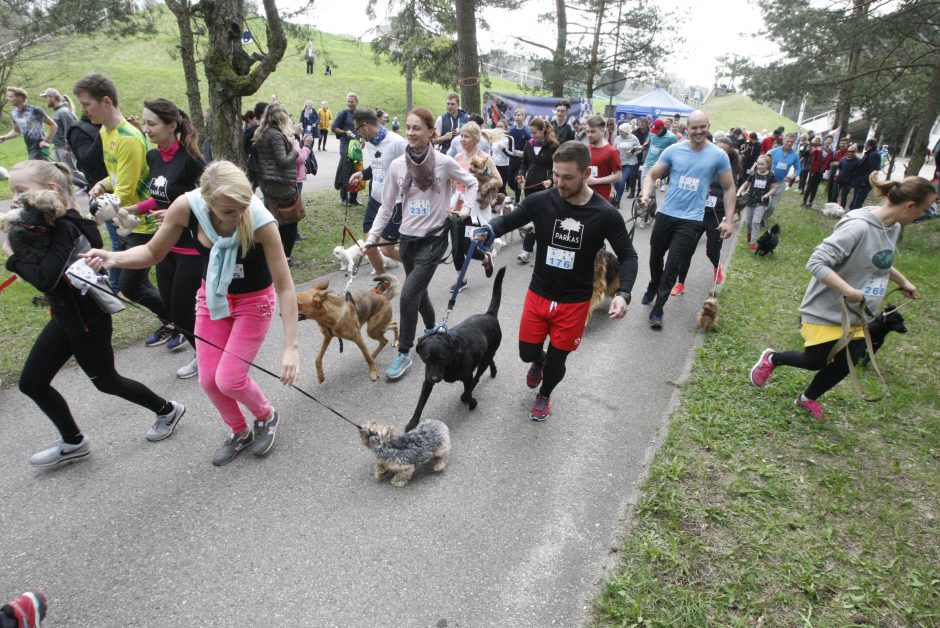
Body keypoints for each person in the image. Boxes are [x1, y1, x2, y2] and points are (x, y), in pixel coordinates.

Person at [84, 161, 300, 466]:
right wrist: (112, 257)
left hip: (254, 302)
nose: (239, 216)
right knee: (209, 380)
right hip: (212, 296)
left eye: (242, 206)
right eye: (228, 211)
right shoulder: (186, 207)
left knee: (229, 379)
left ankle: (266, 415)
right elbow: (151, 253)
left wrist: (290, 348)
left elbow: (285, 286)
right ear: (207, 202)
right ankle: (239, 431)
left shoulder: (261, 221)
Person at [4, 160, 186, 466]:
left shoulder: (66, 226)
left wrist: (11, 253)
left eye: (21, 191)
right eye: (12, 193)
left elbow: (44, 277)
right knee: (32, 383)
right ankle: (73, 442)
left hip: (86, 318)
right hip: (65, 316)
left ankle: (167, 410)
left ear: (49, 191)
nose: (15, 200)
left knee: (106, 381)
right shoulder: (48, 224)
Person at [474, 141, 638, 421]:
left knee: (558, 360)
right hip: (539, 292)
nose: (559, 183)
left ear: (586, 174)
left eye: (568, 177)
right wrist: (490, 228)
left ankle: (545, 394)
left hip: (574, 302)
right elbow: (511, 220)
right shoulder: (541, 201)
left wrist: (623, 293)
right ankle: (539, 361)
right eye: (556, 175)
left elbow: (628, 255)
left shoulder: (605, 214)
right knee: (527, 353)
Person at [749, 174, 932, 421]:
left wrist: (903, 281)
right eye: (924, 209)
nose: (924, 215)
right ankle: (772, 358)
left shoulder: (893, 227)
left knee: (849, 360)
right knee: (814, 360)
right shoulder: (858, 226)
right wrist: (848, 290)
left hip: (858, 314)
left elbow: (881, 261)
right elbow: (817, 262)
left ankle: (806, 398)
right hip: (827, 308)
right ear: (910, 206)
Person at [362, 107, 479, 381]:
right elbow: (386, 206)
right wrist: (371, 238)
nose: (411, 132)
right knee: (419, 289)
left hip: (435, 239)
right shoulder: (397, 166)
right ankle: (432, 328)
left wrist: (464, 211)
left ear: (430, 132)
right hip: (408, 239)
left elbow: (471, 183)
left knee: (408, 294)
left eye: (417, 128)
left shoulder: (444, 163)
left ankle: (403, 352)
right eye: (408, 127)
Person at [72, 73, 171, 348]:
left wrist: (98, 211)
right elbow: (116, 176)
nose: (84, 110)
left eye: (86, 104)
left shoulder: (128, 137)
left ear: (106, 101)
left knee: (129, 286)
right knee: (138, 283)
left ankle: (177, 320)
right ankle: (172, 320)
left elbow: (126, 191)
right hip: (125, 219)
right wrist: (100, 185)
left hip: (143, 221)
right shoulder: (106, 132)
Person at [638, 110, 736, 329]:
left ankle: (658, 309)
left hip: (692, 219)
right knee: (655, 256)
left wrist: (728, 220)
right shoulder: (673, 150)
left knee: (673, 265)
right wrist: (645, 195)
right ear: (687, 128)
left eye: (703, 127)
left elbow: (729, 188)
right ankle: (654, 283)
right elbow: (652, 175)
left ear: (708, 126)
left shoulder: (718, 155)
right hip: (667, 213)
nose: (699, 131)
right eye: (694, 127)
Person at [133, 98, 207, 379]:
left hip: (190, 247)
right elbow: (158, 197)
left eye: (151, 124)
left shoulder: (192, 161)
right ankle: (204, 350)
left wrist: (177, 216)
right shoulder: (154, 157)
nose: (147, 129)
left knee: (181, 310)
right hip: (165, 246)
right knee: (171, 308)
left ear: (171, 125)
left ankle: (205, 354)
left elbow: (210, 203)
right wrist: (134, 209)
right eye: (145, 123)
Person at [672, 135, 742, 295]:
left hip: (716, 215)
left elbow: (728, 192)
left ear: (729, 153)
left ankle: (717, 267)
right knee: (687, 250)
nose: (719, 153)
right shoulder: (702, 163)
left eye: (724, 151)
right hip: (697, 213)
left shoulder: (729, 170)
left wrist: (727, 217)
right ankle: (680, 283)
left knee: (712, 250)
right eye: (717, 149)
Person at [347, 107, 407, 274]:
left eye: (357, 129)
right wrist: (362, 174)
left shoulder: (397, 143)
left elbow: (413, 168)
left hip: (395, 202)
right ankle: (383, 278)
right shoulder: (371, 143)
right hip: (375, 199)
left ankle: (418, 264)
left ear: (365, 125)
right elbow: (377, 166)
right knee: (369, 244)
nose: (357, 133)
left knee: (387, 249)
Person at [450, 121, 502, 290]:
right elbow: (453, 183)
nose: (463, 139)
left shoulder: (484, 158)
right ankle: (461, 280)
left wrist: (484, 184)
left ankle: (485, 258)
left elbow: (499, 181)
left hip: (475, 208)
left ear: (476, 139)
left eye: (467, 136)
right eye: (461, 136)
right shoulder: (457, 158)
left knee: (466, 246)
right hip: (458, 206)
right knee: (456, 248)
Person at [254, 101, 304, 264]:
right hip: (279, 182)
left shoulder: (263, 132)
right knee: (289, 218)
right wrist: (296, 148)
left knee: (274, 217)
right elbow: (283, 161)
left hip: (267, 180)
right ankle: (285, 257)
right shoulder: (275, 135)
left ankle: (275, 255)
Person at [515, 117, 559, 264]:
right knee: (530, 217)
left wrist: (552, 180)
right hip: (530, 186)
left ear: (543, 131)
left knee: (544, 219)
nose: (532, 136)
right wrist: (521, 174)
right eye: (531, 133)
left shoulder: (553, 146)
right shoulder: (529, 144)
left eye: (535, 133)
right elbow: (524, 163)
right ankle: (526, 250)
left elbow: (558, 166)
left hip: (546, 187)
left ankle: (546, 250)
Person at [1, 87, 57, 161]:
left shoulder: (35, 110)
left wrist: (46, 141)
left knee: (37, 170)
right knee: (43, 170)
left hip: (40, 146)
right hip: (30, 148)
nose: (8, 99)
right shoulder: (14, 113)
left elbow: (54, 125)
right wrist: (4, 137)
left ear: (20, 98)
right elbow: (17, 131)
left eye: (11, 96)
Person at [737, 154, 778, 249]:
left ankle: (753, 243)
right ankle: (749, 234)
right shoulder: (753, 174)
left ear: (768, 165)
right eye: (758, 164)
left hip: (761, 202)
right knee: (748, 222)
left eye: (762, 164)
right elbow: (745, 184)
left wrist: (767, 195)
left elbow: (774, 188)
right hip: (750, 200)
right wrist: (739, 192)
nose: (759, 166)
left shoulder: (771, 175)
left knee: (756, 222)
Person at [583, 115, 621, 203]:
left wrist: (596, 181)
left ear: (603, 130)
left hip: (601, 199)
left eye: (593, 132)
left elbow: (618, 176)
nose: (589, 135)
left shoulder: (612, 151)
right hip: (584, 197)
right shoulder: (585, 149)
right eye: (587, 131)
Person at [331, 93, 360, 205]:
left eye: (352, 101)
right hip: (346, 145)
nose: (350, 103)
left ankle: (353, 198)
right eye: (348, 101)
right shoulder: (343, 113)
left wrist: (362, 139)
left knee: (356, 170)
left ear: (357, 102)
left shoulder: (359, 114)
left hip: (356, 146)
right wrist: (345, 132)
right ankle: (344, 198)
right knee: (345, 170)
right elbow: (334, 128)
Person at [40, 88, 78, 174]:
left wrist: (69, 149)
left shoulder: (63, 112)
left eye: (46, 97)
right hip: (57, 147)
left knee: (72, 173)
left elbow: (70, 131)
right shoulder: (57, 112)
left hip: (65, 149)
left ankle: (88, 186)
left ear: (52, 97)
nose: (45, 100)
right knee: (60, 173)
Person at [764, 132, 800, 222]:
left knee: (772, 206)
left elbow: (798, 169)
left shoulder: (795, 155)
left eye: (792, 142)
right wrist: (768, 171)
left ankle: (762, 219)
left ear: (794, 142)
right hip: (768, 181)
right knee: (762, 202)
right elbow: (763, 161)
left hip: (780, 183)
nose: (789, 143)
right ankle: (756, 219)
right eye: (788, 141)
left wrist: (790, 177)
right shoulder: (773, 151)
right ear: (784, 140)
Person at [640, 119, 677, 191]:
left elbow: (674, 152)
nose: (655, 133)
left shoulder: (671, 137)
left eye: (657, 131)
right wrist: (642, 146)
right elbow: (648, 143)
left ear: (662, 128)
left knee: (650, 189)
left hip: (658, 165)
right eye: (654, 130)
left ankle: (650, 201)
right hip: (647, 163)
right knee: (643, 187)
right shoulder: (652, 132)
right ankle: (651, 201)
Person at [506, 107, 531, 204]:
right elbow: (507, 142)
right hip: (512, 159)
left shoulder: (527, 131)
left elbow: (530, 145)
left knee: (518, 181)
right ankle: (518, 192)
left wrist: (523, 153)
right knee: (510, 182)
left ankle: (517, 201)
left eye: (519, 115)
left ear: (524, 117)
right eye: (515, 115)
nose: (517, 117)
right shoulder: (511, 130)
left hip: (522, 161)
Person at [801, 136, 834, 208]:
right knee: (809, 186)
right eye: (827, 140)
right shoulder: (819, 148)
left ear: (832, 142)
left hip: (821, 171)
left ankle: (810, 202)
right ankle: (804, 202)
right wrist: (816, 149)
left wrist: (826, 169)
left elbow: (830, 161)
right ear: (825, 140)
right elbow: (812, 153)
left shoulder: (831, 152)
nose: (828, 141)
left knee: (815, 187)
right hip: (813, 169)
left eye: (830, 140)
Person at [613, 122, 641, 205]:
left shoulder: (633, 138)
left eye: (621, 131)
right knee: (615, 181)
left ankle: (618, 200)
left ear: (626, 132)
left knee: (621, 181)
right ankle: (618, 194)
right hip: (618, 162)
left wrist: (632, 152)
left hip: (629, 163)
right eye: (619, 131)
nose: (619, 133)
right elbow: (613, 149)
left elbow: (639, 149)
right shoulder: (617, 138)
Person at [851, 139, 882, 209]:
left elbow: (874, 170)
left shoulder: (874, 155)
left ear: (868, 145)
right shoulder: (869, 153)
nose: (864, 145)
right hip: (860, 182)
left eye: (865, 143)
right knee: (854, 202)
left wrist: (864, 181)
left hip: (864, 184)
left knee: (857, 204)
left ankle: (856, 217)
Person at [834, 144, 862, 208]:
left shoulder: (858, 161)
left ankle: (841, 209)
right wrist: (837, 173)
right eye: (849, 151)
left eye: (852, 152)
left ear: (855, 152)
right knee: (835, 195)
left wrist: (852, 183)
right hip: (839, 179)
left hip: (848, 182)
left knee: (843, 196)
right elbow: (839, 167)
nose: (850, 153)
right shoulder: (843, 158)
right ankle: (834, 207)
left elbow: (857, 173)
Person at [490, 119, 511, 196]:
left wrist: (504, 150)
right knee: (493, 187)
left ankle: (505, 205)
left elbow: (511, 154)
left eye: (501, 126)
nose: (499, 128)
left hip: (504, 165)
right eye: (497, 126)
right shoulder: (493, 138)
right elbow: (492, 151)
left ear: (505, 128)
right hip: (494, 165)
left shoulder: (508, 139)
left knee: (502, 188)